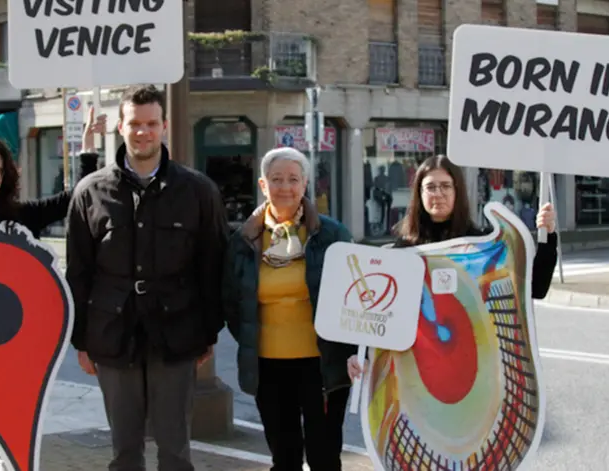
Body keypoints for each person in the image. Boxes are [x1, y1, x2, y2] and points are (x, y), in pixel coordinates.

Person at [65, 85, 227, 471]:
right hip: (112, 334)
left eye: (151, 123)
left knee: (174, 450)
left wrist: (209, 331)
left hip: (176, 332)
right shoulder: (90, 193)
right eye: (134, 123)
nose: (143, 132)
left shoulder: (198, 190)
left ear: (164, 127)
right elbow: (78, 273)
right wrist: (81, 339)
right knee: (124, 452)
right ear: (120, 127)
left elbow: (213, 266)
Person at [0, 113, 104, 471]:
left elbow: (73, 197)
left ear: (5, 176)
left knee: (11, 444)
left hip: (15, 351)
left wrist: (88, 150)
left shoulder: (19, 220)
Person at [347, 154, 558, 379]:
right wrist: (360, 356)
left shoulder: (482, 245)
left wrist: (548, 236)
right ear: (419, 194)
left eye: (446, 186)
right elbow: (380, 316)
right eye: (431, 187)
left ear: (458, 191)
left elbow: (535, 287)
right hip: (416, 377)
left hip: (474, 374)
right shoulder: (402, 252)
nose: (438, 193)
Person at [222, 147, 358, 471]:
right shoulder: (243, 240)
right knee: (284, 458)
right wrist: (252, 340)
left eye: (293, 179)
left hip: (322, 365)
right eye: (276, 179)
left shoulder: (331, 234)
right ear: (262, 185)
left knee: (324, 457)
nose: (285, 187)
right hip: (267, 367)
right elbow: (231, 301)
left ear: (306, 183)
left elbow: (355, 295)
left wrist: (352, 350)